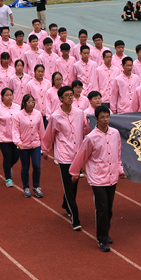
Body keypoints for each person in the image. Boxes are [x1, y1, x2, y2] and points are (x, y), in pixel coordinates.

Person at [70, 106, 125, 252]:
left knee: (109, 208)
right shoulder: (91, 138)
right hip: (97, 177)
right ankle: (102, 239)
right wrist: (75, 173)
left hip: (112, 176)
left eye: (107, 117)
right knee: (102, 208)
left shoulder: (115, 133)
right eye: (102, 117)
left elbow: (117, 154)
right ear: (96, 119)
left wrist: (120, 170)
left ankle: (105, 232)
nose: (105, 120)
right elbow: (82, 155)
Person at [42, 85, 89, 231]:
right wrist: (45, 150)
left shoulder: (79, 113)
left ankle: (65, 203)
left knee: (74, 185)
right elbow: (49, 134)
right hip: (64, 156)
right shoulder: (55, 117)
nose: (70, 97)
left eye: (71, 95)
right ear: (61, 98)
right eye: (67, 95)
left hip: (77, 154)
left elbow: (86, 129)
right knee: (69, 186)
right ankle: (75, 218)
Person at [13, 94, 46, 198]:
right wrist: (18, 142)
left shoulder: (38, 114)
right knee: (25, 167)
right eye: (29, 102)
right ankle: (26, 187)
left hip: (35, 144)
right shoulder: (18, 115)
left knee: (37, 166)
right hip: (24, 146)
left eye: (33, 102)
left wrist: (44, 145)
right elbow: (15, 130)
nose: (31, 104)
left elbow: (41, 130)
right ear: (24, 103)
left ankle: (36, 186)